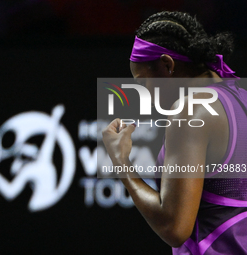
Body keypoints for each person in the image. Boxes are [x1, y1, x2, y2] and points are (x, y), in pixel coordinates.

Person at [102, 11, 247, 254]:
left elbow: (174, 228)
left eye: (143, 82)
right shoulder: (241, 96)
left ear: (167, 65)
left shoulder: (191, 111)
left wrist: (121, 162)